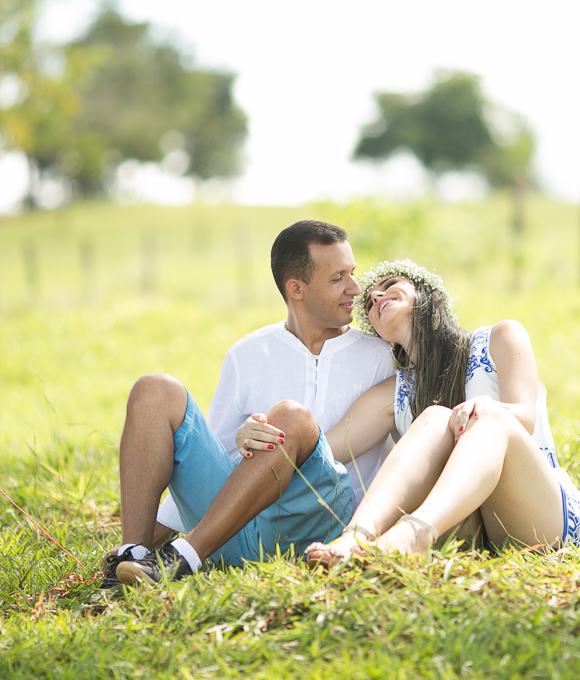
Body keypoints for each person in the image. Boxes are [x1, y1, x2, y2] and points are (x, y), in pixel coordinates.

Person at [102, 221, 394, 587]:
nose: (355, 288)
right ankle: (134, 558)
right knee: (154, 389)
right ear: (296, 289)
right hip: (237, 531)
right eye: (338, 278)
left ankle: (184, 558)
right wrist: (242, 439)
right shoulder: (248, 354)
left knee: (291, 417)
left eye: (352, 273)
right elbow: (211, 463)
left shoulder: (382, 357)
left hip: (322, 531)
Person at [291, 259, 580, 564]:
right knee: (433, 417)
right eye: (369, 302)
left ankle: (414, 534)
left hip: (541, 518)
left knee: (491, 418)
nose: (377, 297)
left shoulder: (500, 338)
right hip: (470, 534)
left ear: (431, 296)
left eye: (390, 286)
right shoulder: (394, 392)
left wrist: (485, 407)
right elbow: (325, 449)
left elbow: (523, 417)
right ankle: (356, 537)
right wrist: (270, 436)